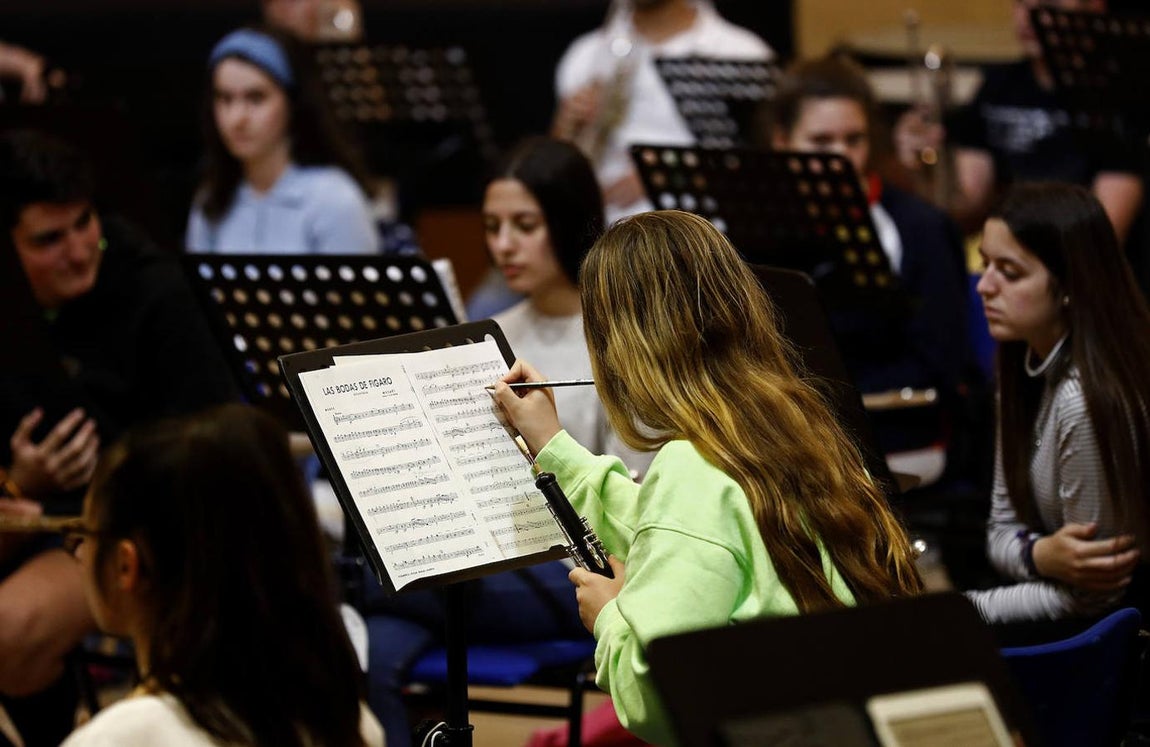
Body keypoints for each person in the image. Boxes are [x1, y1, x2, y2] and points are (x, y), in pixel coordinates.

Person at [491, 210, 924, 746]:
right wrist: (552, 446)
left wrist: (611, 617)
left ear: (623, 348)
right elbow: (682, 529)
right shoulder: (802, 426)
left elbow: (661, 695)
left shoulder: (691, 469)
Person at [362, 137, 651, 747]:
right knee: (369, 656)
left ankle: (351, 583)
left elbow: (637, 501)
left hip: (574, 566)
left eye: (525, 225)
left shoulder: (619, 337)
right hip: (481, 559)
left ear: (568, 221)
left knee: (374, 580)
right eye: (493, 226)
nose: (503, 244)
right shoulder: (491, 330)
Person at [0, 129, 239, 746]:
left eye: (85, 224)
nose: (80, 250)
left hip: (131, 529)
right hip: (32, 519)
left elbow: (211, 446)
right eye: (49, 240)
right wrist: (18, 481)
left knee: (8, 632)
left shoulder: (154, 291)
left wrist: (101, 484)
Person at [59, 404, 383, 746]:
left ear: (127, 565)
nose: (79, 552)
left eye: (85, 532)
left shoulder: (118, 739)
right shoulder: (352, 721)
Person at [767, 54, 977, 461]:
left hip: (888, 430)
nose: (840, 158)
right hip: (782, 429)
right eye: (821, 142)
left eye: (854, 140)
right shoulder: (755, 226)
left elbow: (940, 364)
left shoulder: (920, 228)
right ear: (782, 141)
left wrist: (823, 401)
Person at [967, 182, 1149, 628]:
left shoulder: (1083, 401)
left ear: (1069, 285)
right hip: (1057, 609)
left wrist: (957, 613)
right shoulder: (1020, 357)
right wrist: (1038, 555)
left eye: (1009, 271)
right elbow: (999, 532)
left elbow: (1094, 599)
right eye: (985, 264)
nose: (984, 287)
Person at [895, 0, 1143, 243]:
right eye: (1021, 3)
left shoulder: (1117, 94)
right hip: (1011, 254)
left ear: (1095, 7)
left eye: (1049, 6)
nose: (1029, 17)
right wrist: (922, 170)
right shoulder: (999, 85)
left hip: (1074, 265)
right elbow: (965, 208)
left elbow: (1103, 241)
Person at [552, 0, 772, 222]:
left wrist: (664, 174)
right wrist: (566, 129)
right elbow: (559, 172)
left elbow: (759, 167)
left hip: (701, 232)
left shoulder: (740, 51)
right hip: (604, 230)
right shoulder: (586, 55)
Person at [186, 25, 380, 255]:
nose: (237, 118)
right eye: (225, 99)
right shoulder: (212, 199)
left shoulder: (334, 199)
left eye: (256, 98)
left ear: (293, 102)